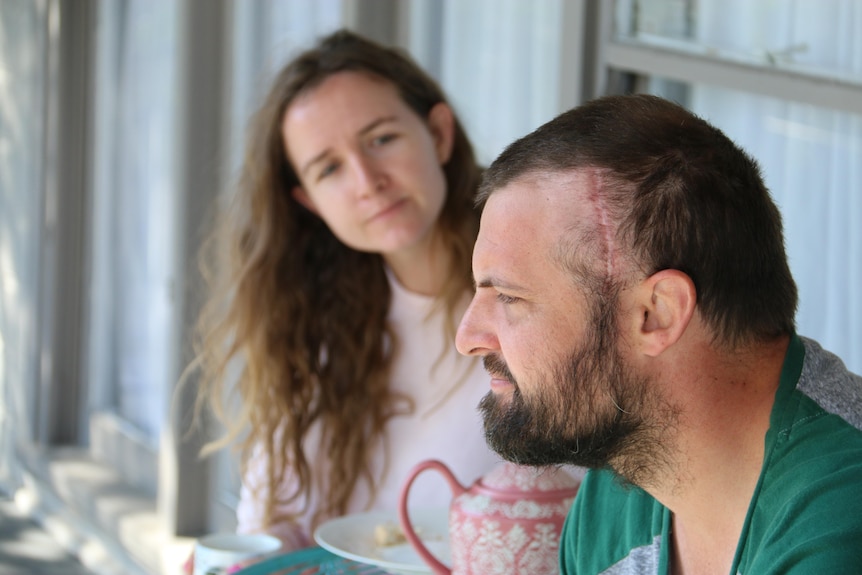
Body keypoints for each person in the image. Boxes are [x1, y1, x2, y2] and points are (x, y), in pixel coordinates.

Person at [455, 93, 862, 574]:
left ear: (657, 314)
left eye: (508, 297)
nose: (468, 337)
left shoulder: (838, 523)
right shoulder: (625, 470)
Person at [192, 29, 499, 554]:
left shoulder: (535, 296)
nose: (366, 179)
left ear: (439, 134)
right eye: (329, 169)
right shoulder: (316, 321)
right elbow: (272, 523)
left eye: (381, 139)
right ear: (309, 201)